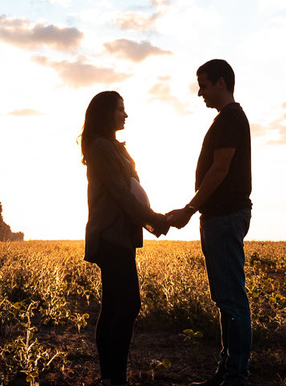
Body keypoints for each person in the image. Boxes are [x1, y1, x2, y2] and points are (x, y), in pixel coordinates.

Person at [166, 59, 252, 386]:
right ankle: (228, 370)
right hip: (218, 217)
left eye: (203, 85)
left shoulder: (230, 118)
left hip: (226, 216)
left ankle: (236, 375)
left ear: (220, 82)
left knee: (232, 298)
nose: (200, 93)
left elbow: (220, 169)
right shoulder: (226, 119)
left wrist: (189, 208)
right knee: (224, 297)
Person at [82, 90, 170, 386]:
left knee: (113, 306)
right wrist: (154, 219)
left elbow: (130, 189)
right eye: (121, 109)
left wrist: (152, 218)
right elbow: (121, 194)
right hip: (110, 236)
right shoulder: (101, 148)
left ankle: (110, 378)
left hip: (120, 235)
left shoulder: (115, 148)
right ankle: (116, 379)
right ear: (107, 112)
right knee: (128, 304)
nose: (126, 114)